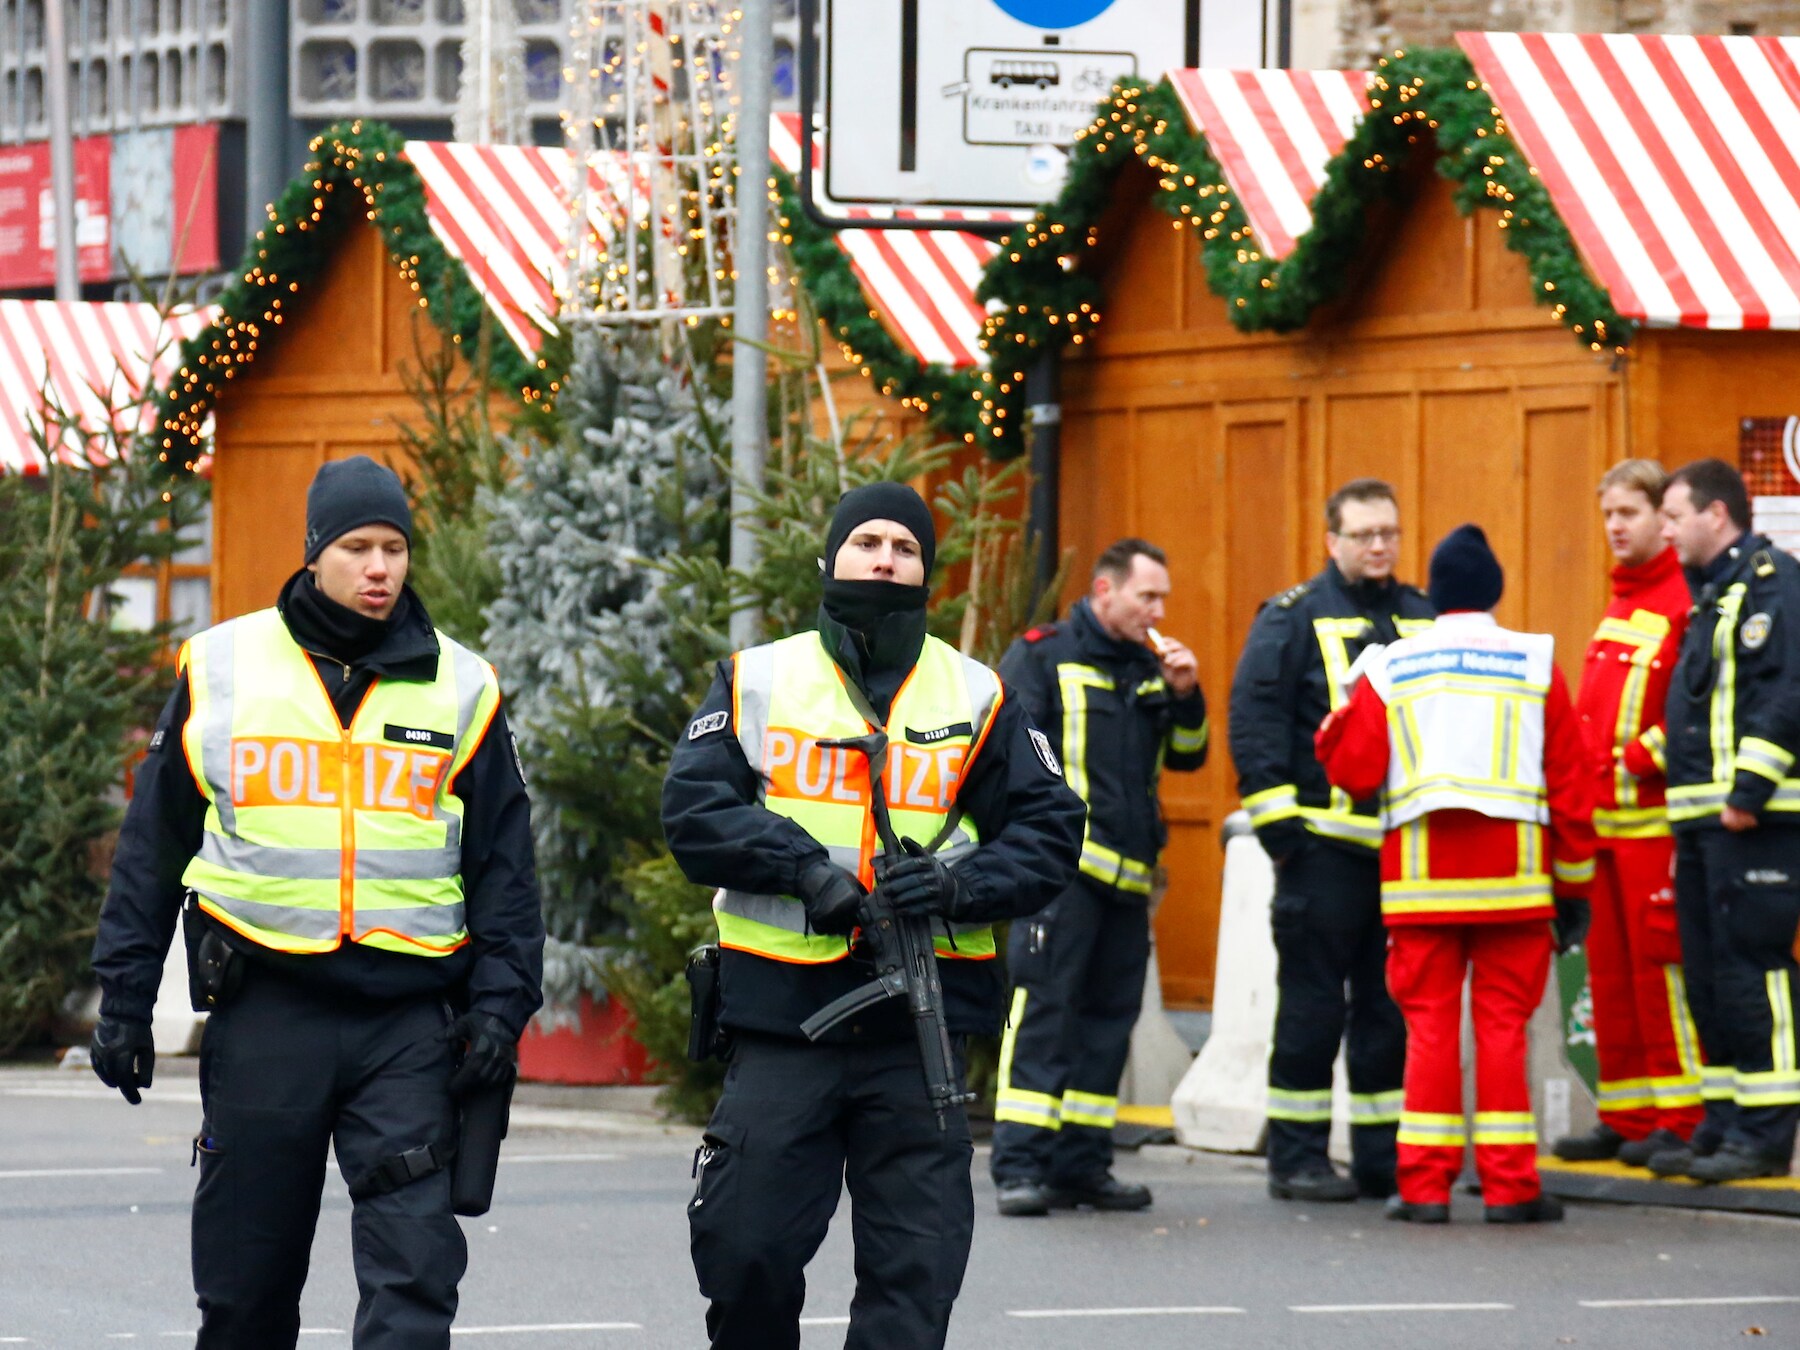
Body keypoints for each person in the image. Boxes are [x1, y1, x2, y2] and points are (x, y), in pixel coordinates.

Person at [88, 456, 545, 1348]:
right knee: (245, 1293)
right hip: (268, 1013)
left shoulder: (463, 688)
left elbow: (506, 871)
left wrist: (500, 1010)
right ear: (313, 555)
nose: (379, 569)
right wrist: (125, 1003)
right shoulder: (221, 669)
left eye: (394, 549)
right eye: (356, 548)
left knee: (414, 1283)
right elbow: (150, 852)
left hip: (409, 1026)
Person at [661, 482, 1083, 1350]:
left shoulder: (978, 694)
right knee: (745, 1252)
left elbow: (1051, 830)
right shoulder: (757, 678)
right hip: (786, 1023)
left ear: (925, 571)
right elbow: (694, 811)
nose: (884, 558)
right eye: (867, 542)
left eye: (904, 546)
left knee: (915, 1278)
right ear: (832, 558)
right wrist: (805, 873)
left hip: (918, 1033)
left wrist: (959, 888)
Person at [1316, 524, 1595, 1224]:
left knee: (1431, 1031)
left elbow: (1352, 772)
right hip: (1516, 886)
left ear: (1434, 595)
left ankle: (1423, 1189)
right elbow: (1571, 783)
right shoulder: (1536, 663)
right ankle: (1509, 1188)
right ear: (1494, 591)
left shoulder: (1394, 666)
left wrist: (1339, 714)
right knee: (1503, 1030)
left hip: (1421, 886)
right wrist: (1574, 885)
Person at [987, 538, 1209, 1216]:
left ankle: (1080, 1165)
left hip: (1128, 878)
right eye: (1148, 596)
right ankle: (1019, 1165)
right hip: (1063, 876)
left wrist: (1187, 697)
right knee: (1045, 1016)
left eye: (1163, 598)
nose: (1159, 610)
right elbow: (1005, 757)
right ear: (1105, 591)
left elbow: (1188, 759)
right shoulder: (1044, 653)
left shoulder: (1148, 668)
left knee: (1109, 1022)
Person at [1229, 478, 1435, 1202]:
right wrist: (1280, 828)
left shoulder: (1421, 617)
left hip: (1403, 856)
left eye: (1389, 533)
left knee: (1388, 1011)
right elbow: (1255, 720)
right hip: (1320, 852)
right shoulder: (1291, 617)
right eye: (1364, 535)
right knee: (1314, 1007)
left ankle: (1381, 1158)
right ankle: (1297, 1159)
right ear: (1333, 541)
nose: (1379, 547)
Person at [1650, 458, 1800, 1182]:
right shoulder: (1712, 595)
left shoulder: (1776, 585)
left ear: (1716, 515)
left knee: (1753, 969)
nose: (1665, 531)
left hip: (1754, 819)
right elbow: (1704, 704)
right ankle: (1725, 1119)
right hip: (1703, 821)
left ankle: (1766, 1134)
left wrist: (1748, 789)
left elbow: (1786, 692)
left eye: (1674, 517)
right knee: (1709, 976)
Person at [1553, 460, 1704, 1167]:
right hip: (1603, 828)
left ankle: (1681, 1116)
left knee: (1659, 974)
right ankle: (1627, 1113)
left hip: (1656, 828)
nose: (1616, 527)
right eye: (1608, 514)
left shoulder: (1683, 600)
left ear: (1662, 520)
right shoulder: (1621, 603)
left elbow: (1697, 709)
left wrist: (1640, 759)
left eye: (1630, 514)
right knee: (1607, 979)